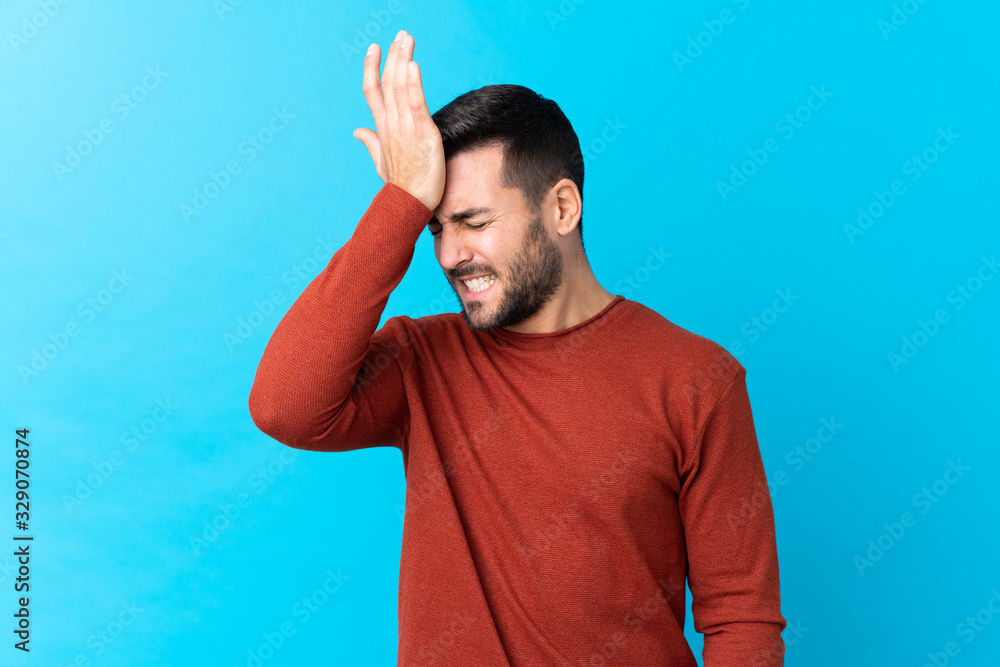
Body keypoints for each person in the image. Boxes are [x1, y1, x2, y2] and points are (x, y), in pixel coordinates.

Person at [249, 28, 787, 667]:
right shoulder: (423, 360)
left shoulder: (698, 379)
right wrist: (399, 204)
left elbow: (742, 621)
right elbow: (285, 405)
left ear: (561, 208)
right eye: (435, 228)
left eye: (474, 222)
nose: (450, 256)